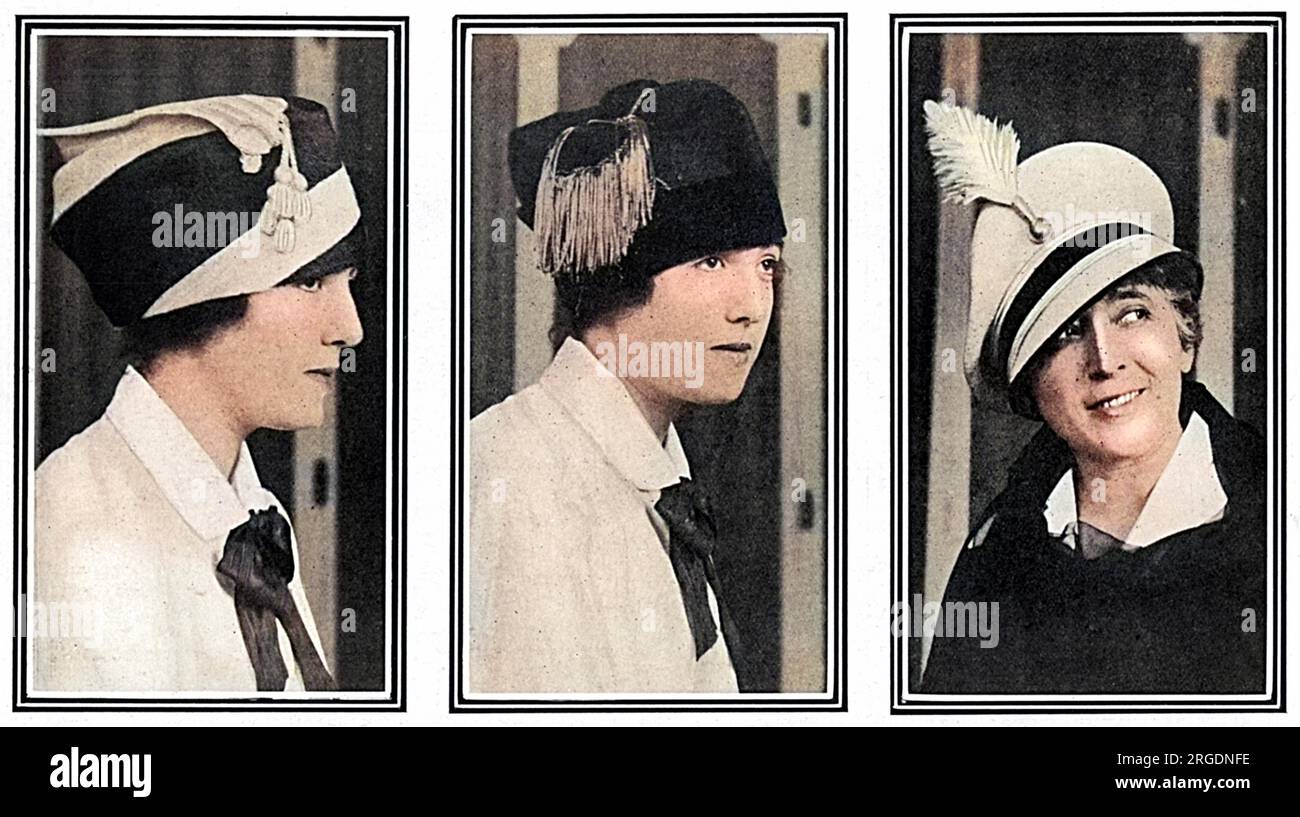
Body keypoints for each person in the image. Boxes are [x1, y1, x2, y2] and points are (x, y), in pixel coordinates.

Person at [919, 101, 1266, 694]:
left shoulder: (1274, 518)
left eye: (1132, 312)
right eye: (1066, 334)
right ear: (1032, 388)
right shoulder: (1002, 549)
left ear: (1184, 337)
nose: (1106, 362)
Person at [31, 94, 365, 692]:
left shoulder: (256, 518)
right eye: (312, 281)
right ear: (201, 297)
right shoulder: (67, 524)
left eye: (347, 283)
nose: (349, 327)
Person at [468, 79, 786, 693]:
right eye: (711, 262)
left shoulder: (657, 475)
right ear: (614, 276)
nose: (752, 305)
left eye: (766, 265)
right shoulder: (514, 480)